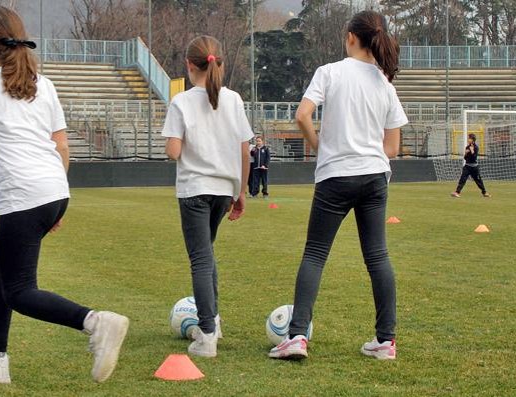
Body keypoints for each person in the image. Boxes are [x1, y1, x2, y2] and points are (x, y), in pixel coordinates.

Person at [0, 6, 128, 384]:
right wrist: (56, 199)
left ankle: (96, 323)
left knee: (18, 290)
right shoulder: (44, 84)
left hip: (24, 194)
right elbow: (61, 145)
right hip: (53, 190)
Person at [270, 10, 407, 361]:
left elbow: (302, 114)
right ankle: (385, 341)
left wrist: (320, 146)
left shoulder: (330, 72)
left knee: (315, 253)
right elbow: (392, 148)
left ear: (350, 38)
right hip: (375, 176)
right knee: (378, 256)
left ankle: (297, 336)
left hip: (335, 175)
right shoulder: (384, 84)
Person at [162, 35, 253, 358]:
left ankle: (207, 336)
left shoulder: (181, 102)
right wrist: (240, 192)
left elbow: (173, 151)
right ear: (220, 64)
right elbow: (245, 151)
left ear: (189, 65)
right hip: (223, 191)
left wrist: (182, 141)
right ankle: (213, 319)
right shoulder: (234, 100)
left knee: (200, 259)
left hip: (194, 190)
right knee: (208, 254)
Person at [451, 134, 490, 198]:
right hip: (467, 167)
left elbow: (474, 158)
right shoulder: (467, 147)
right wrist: (466, 153)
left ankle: (484, 192)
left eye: (469, 138)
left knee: (478, 180)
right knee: (462, 179)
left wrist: (472, 151)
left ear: (472, 139)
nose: (468, 140)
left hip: (474, 167)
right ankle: (457, 192)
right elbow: (465, 158)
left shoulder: (476, 147)